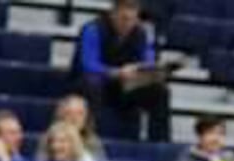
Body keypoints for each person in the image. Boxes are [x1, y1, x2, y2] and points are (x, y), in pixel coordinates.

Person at [72, 0, 171, 142]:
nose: (127, 22)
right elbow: (88, 64)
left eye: (132, 18)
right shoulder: (93, 29)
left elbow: (147, 61)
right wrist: (116, 72)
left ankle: (160, 143)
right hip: (93, 83)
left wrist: (153, 71)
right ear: (113, 13)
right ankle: (88, 139)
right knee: (91, 84)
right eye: (123, 17)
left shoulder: (141, 33)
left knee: (160, 91)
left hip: (123, 86)